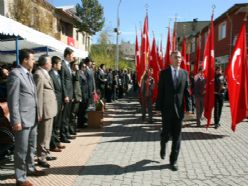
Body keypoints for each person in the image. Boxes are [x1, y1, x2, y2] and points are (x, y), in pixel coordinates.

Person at [7, 49, 46, 186]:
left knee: (31, 146)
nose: (34, 61)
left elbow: (33, 96)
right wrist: (16, 120)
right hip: (22, 120)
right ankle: (20, 178)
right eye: (32, 59)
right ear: (25, 60)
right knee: (21, 149)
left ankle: (30, 168)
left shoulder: (29, 74)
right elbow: (13, 101)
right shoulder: (15, 75)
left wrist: (38, 114)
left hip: (33, 117)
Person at [157, 51, 191, 171]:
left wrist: (190, 108)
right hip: (166, 110)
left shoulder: (185, 73)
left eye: (180, 57)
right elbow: (160, 91)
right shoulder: (164, 73)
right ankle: (163, 143)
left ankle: (173, 161)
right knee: (166, 134)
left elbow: (187, 92)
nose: (179, 59)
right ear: (171, 59)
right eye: (176, 57)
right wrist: (158, 108)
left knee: (177, 136)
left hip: (179, 111)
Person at [33, 55, 58, 168]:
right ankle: (41, 157)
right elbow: (38, 95)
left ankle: (46, 152)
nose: (51, 64)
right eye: (49, 62)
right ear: (45, 63)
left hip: (49, 109)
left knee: (48, 134)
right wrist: (39, 113)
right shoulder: (38, 74)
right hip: (44, 110)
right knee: (43, 135)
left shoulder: (45, 72)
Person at [49, 56, 65, 152]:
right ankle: (52, 144)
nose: (61, 65)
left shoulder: (57, 74)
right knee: (53, 124)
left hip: (59, 102)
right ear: (54, 65)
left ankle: (56, 141)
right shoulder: (50, 75)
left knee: (57, 124)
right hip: (54, 102)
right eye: (59, 64)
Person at [60, 47, 75, 143]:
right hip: (66, 95)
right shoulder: (62, 65)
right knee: (64, 116)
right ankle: (63, 135)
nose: (74, 57)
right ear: (68, 55)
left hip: (70, 94)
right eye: (72, 55)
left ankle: (66, 133)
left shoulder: (68, 65)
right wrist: (65, 95)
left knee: (67, 115)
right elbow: (62, 82)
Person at [70, 61, 82, 134]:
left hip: (78, 95)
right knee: (73, 114)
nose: (77, 66)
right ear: (72, 66)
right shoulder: (72, 73)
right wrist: (77, 70)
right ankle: (72, 129)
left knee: (75, 114)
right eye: (75, 65)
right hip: (75, 96)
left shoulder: (75, 73)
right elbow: (77, 79)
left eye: (77, 65)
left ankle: (74, 128)